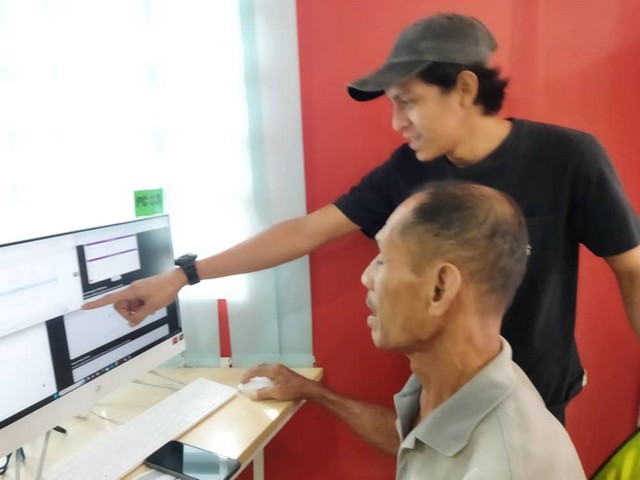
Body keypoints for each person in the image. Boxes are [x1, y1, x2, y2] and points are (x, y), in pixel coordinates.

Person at [83, 12, 640, 424]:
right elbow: (307, 231)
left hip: (536, 395)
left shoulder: (568, 157)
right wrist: (184, 276)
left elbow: (632, 269)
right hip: (441, 397)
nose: (397, 122)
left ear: (465, 88)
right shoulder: (409, 171)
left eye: (409, 101)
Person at [240, 182, 587, 479]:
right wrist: (312, 391)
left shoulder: (503, 467)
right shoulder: (464, 380)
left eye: (382, 259)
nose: (366, 277)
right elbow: (416, 441)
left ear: (439, 288)